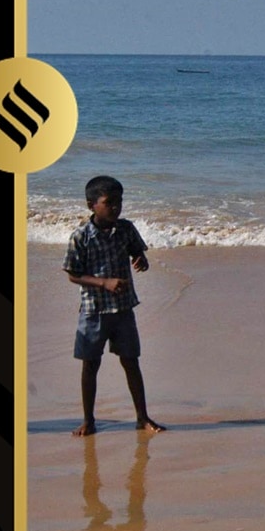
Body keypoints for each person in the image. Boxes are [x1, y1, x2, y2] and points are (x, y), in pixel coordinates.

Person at [64, 175, 166, 437]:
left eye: (119, 202)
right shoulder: (80, 237)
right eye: (109, 202)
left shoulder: (126, 229)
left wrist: (141, 260)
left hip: (123, 308)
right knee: (90, 365)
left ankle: (142, 417)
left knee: (131, 361)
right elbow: (73, 274)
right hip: (94, 311)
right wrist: (104, 282)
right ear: (91, 205)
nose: (116, 207)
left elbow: (137, 251)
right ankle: (89, 420)